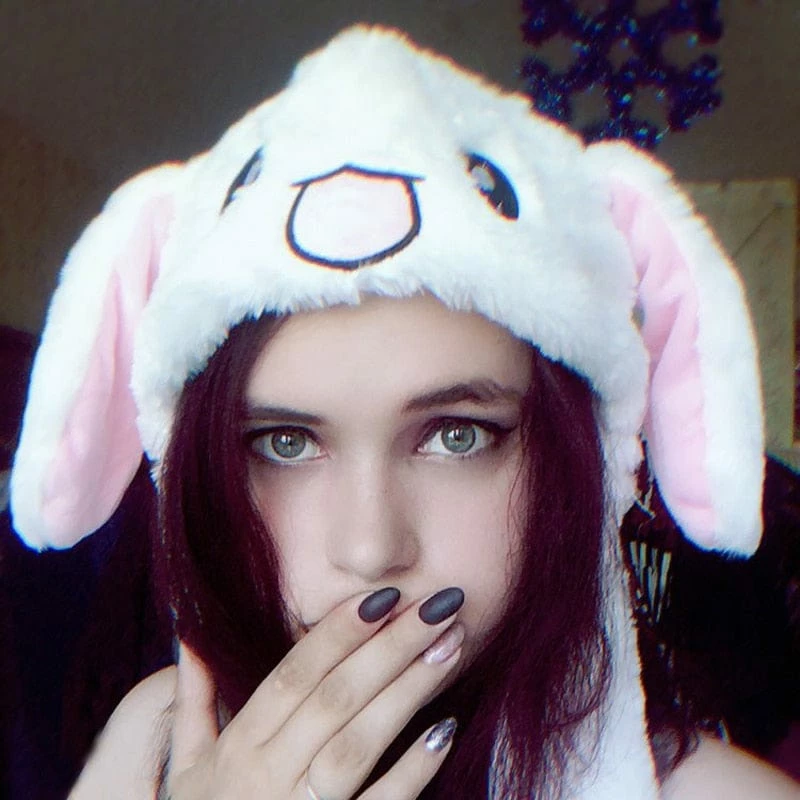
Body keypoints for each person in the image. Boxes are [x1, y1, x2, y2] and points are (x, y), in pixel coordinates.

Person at [9, 25, 800, 799]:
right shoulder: (161, 742)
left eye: (457, 436)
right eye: (284, 442)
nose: (370, 551)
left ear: (577, 457)